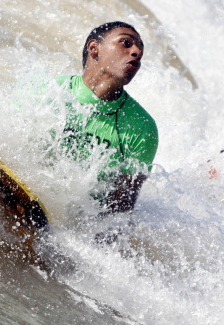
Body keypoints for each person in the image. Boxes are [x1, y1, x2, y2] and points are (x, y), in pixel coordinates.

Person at [54, 22, 158, 213]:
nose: (136, 52)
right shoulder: (49, 93)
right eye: (125, 43)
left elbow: (118, 215)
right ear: (94, 48)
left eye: (140, 51)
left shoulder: (142, 128)